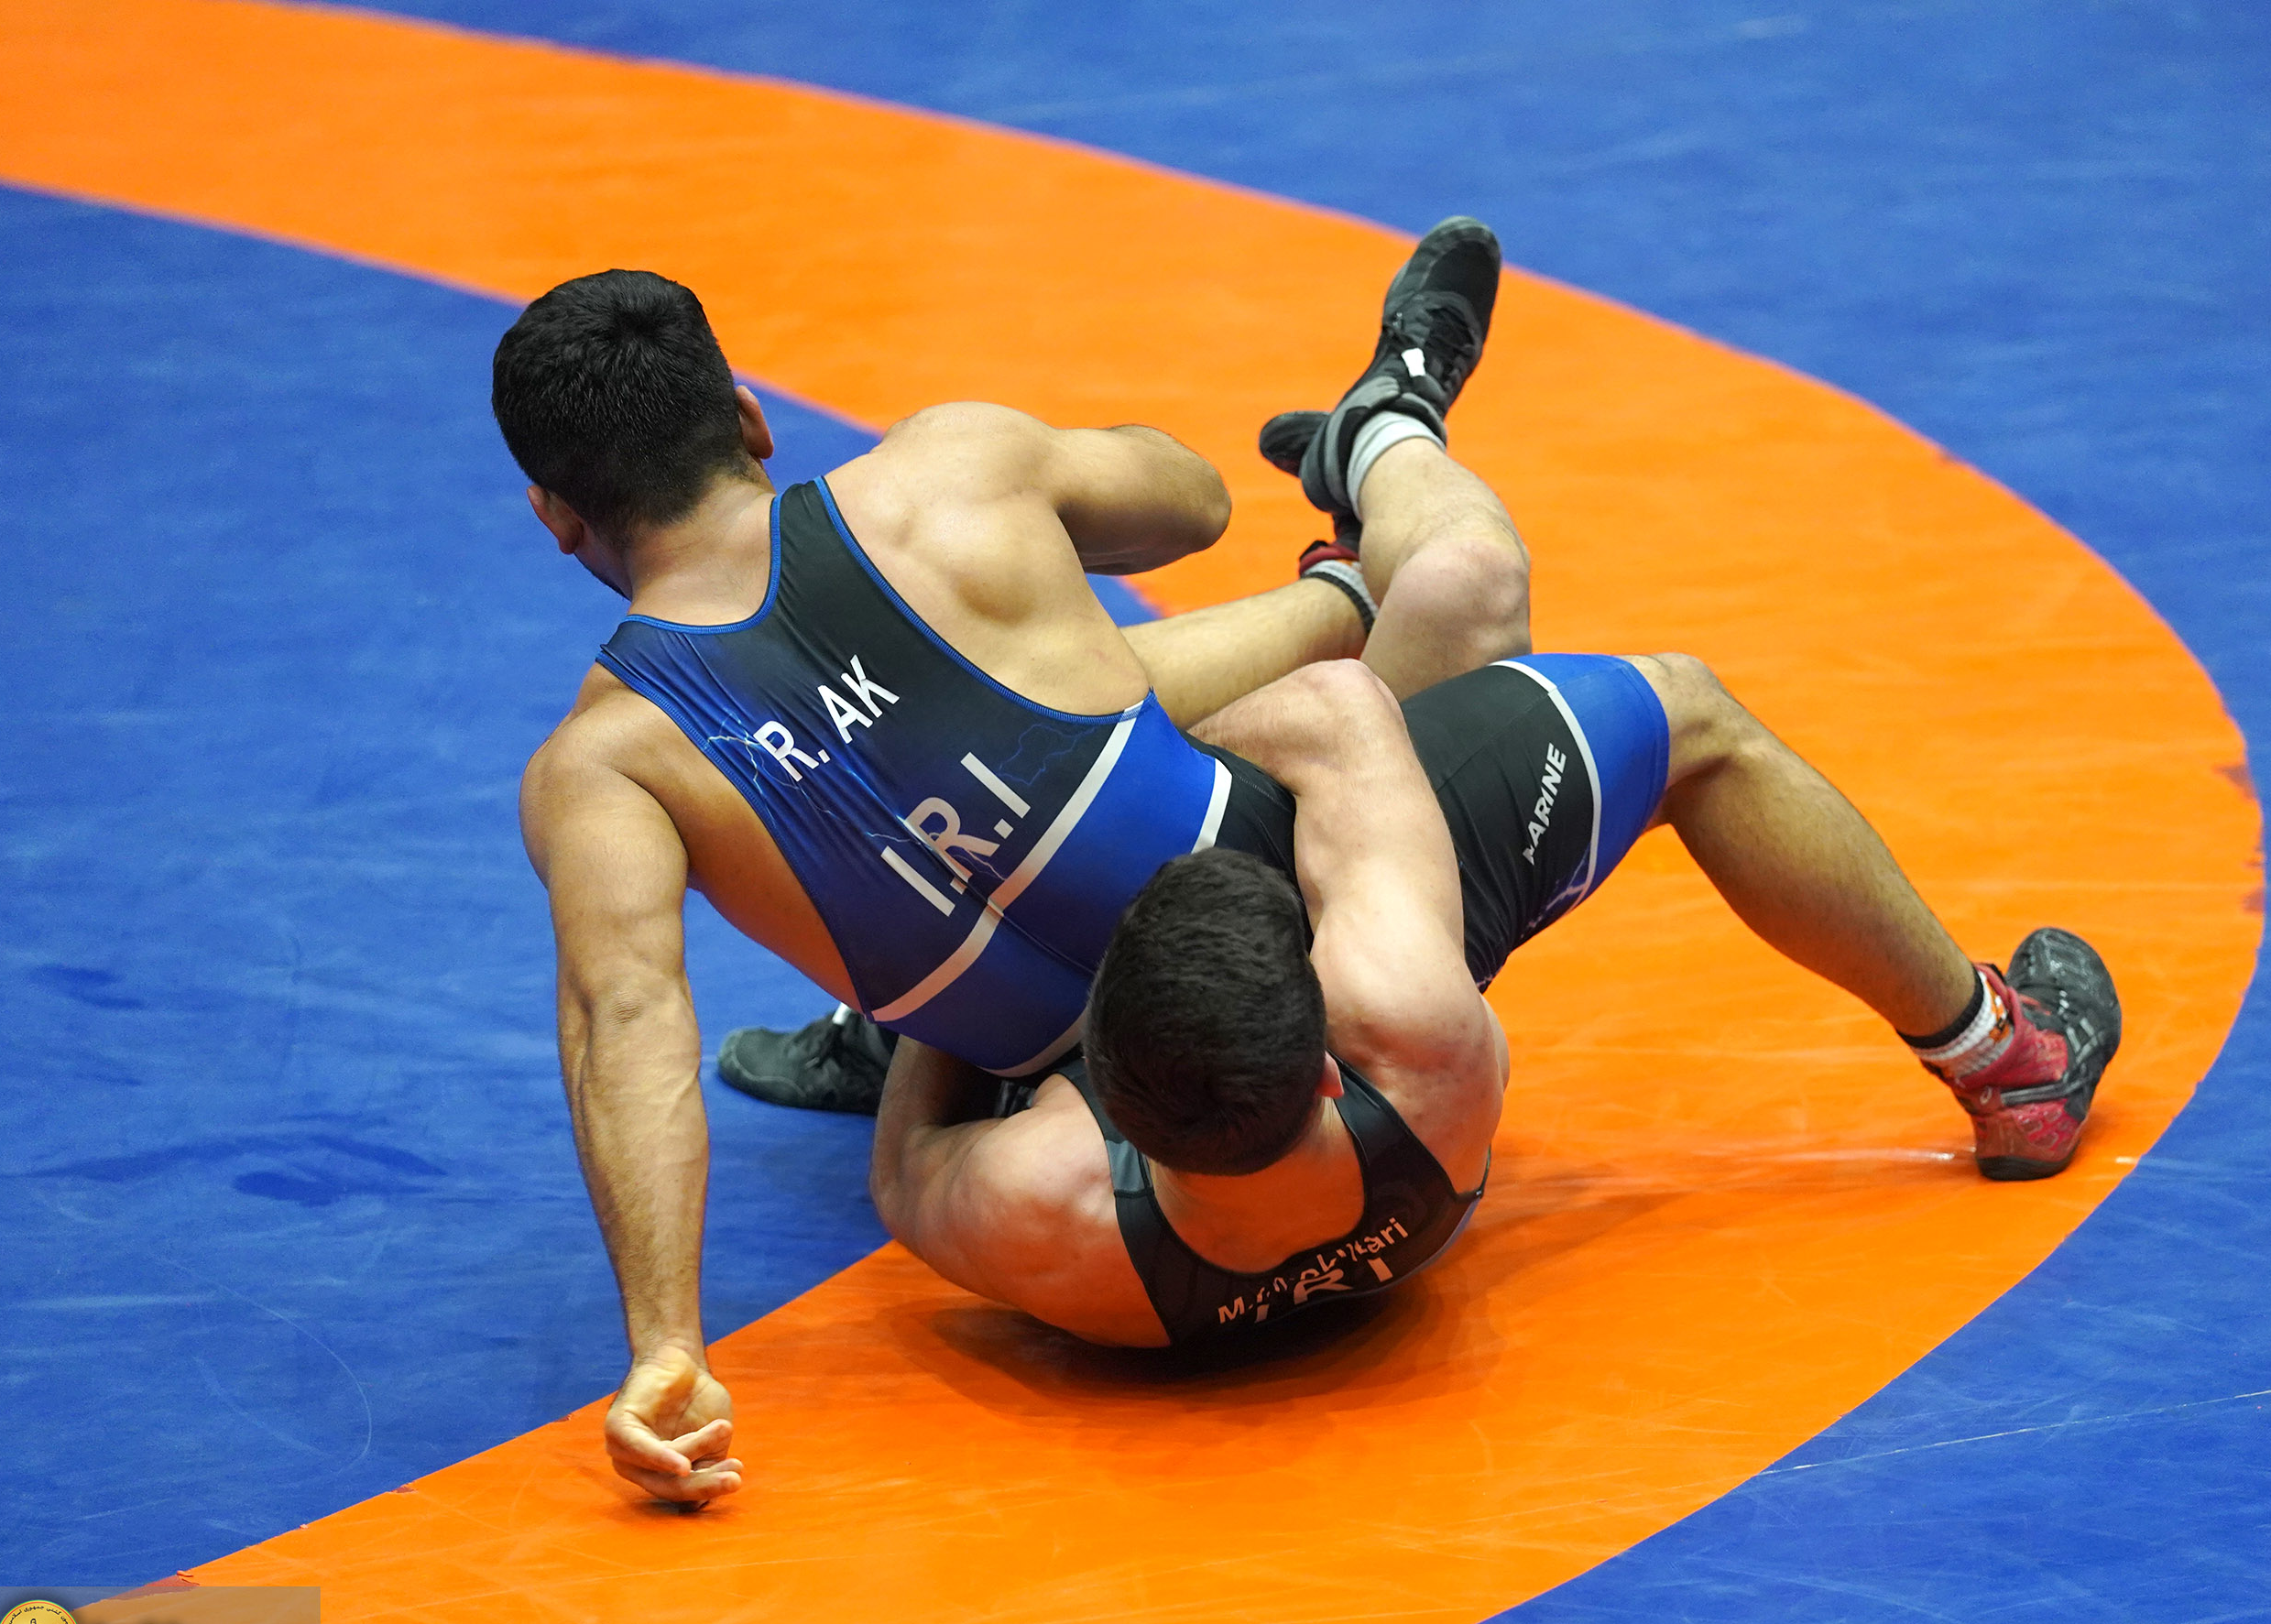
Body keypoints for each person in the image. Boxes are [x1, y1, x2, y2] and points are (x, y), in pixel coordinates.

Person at [503, 222, 1528, 1502]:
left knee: (1025, 774)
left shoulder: (601, 763)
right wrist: (1030, 533)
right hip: (1160, 1000)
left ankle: (1380, 427)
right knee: (1457, 596)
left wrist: (668, 1345)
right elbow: (1197, 500)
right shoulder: (944, 473)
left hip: (1134, 976)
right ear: (751, 419)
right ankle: (1376, 487)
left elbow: (626, 1022)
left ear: (555, 517)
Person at [866, 628, 2121, 1350]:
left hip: (1169, 1279)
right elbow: (1338, 705)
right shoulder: (1415, 1028)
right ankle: (2007, 1062)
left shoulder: (1042, 1212)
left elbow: (907, 1154)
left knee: (1449, 600)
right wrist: (1118, 813)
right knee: (1682, 713)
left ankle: (1371, 521)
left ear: (1097, 1078)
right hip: (1408, 1191)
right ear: (1327, 1066)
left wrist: (989, 941)